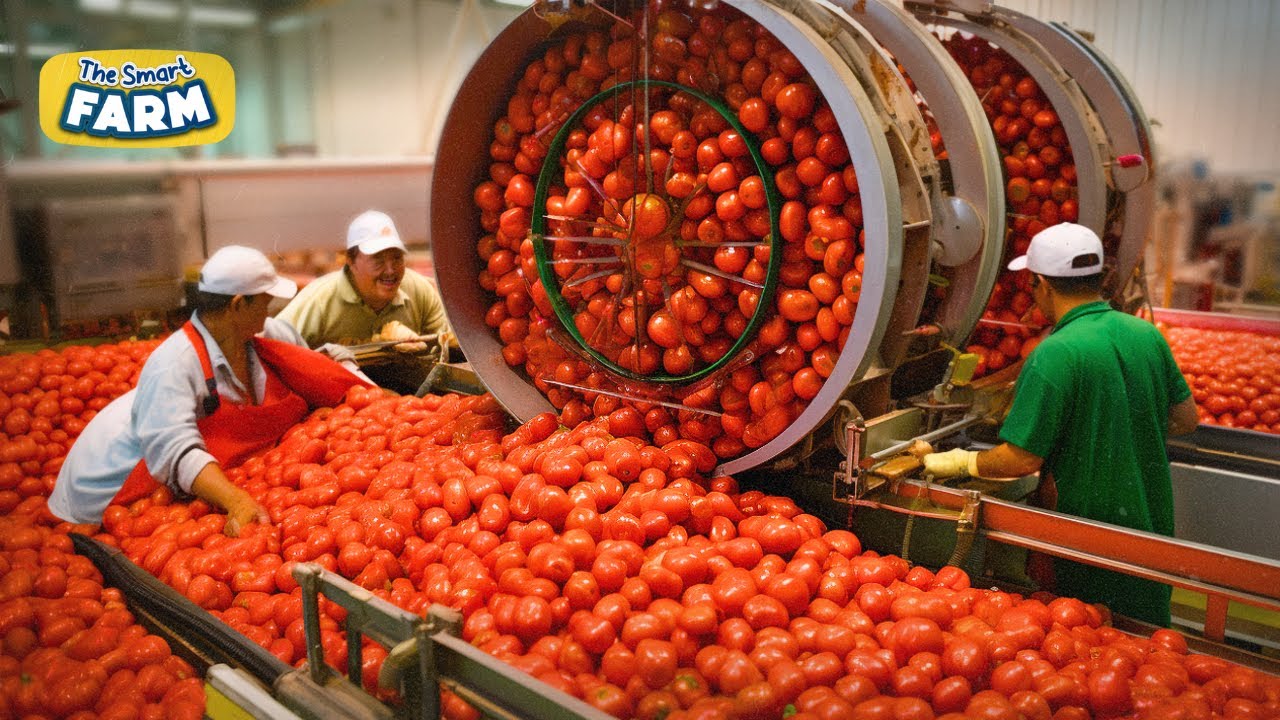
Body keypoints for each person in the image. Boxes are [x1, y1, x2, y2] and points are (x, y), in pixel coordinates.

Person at [921, 223, 1199, 626]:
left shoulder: (1055, 353)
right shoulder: (1146, 336)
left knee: (1090, 646)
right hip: (1147, 530)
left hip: (1086, 541)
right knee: (1147, 642)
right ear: (1097, 278)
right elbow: (1186, 418)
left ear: (1041, 285)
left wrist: (955, 463)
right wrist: (1118, 424)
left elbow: (1019, 459)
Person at [49, 246, 371, 535]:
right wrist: (236, 500)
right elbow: (175, 452)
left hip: (186, 467)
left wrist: (370, 394)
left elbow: (320, 362)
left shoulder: (263, 332)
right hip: (115, 487)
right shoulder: (173, 364)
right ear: (237, 305)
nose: (269, 309)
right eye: (265, 301)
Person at [275, 211, 452, 389]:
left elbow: (447, 349)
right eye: (378, 260)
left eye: (397, 258)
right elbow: (272, 347)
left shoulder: (419, 290)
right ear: (351, 261)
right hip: (331, 394)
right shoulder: (319, 299)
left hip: (404, 398)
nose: (390, 270)